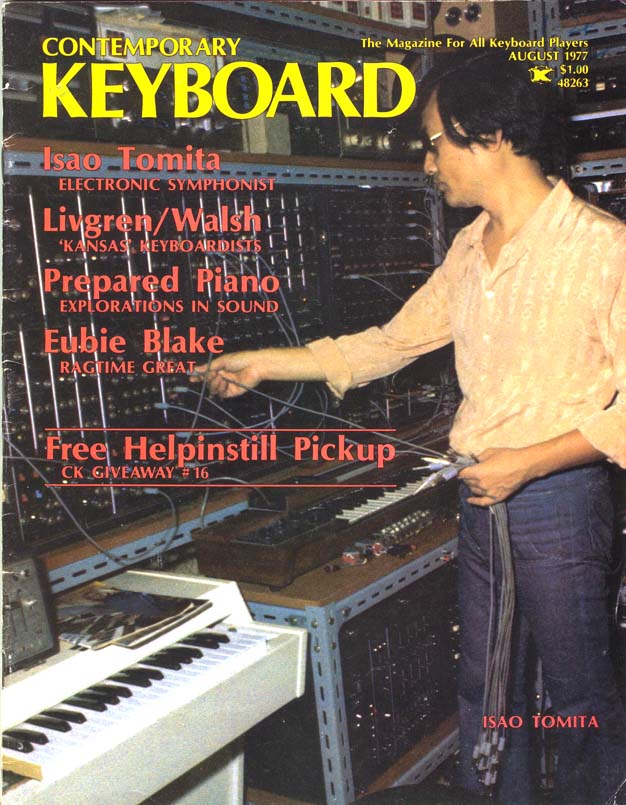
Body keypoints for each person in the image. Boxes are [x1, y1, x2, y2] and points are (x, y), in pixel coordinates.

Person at [192, 53, 626, 804]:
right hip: (485, 496)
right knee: (487, 688)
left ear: (489, 135)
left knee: (579, 694)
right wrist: (264, 362)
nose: (428, 164)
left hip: (558, 500)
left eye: (434, 144)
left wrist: (529, 462)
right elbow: (391, 342)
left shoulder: (603, 248)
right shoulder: (469, 248)